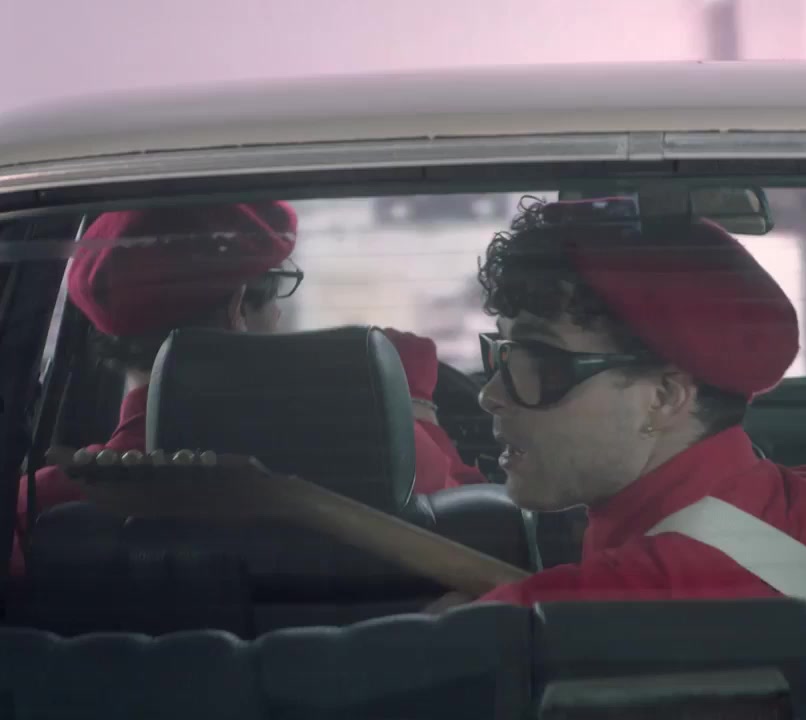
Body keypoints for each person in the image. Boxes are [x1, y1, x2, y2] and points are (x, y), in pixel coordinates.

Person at [460, 198, 806, 618]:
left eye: (537, 362)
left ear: (665, 397)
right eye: (501, 352)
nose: (491, 394)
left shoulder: (585, 619)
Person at [11, 201, 483, 575]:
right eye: (276, 293)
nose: (278, 315)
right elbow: (484, 530)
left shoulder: (37, 506)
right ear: (238, 308)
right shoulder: (375, 465)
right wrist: (413, 405)